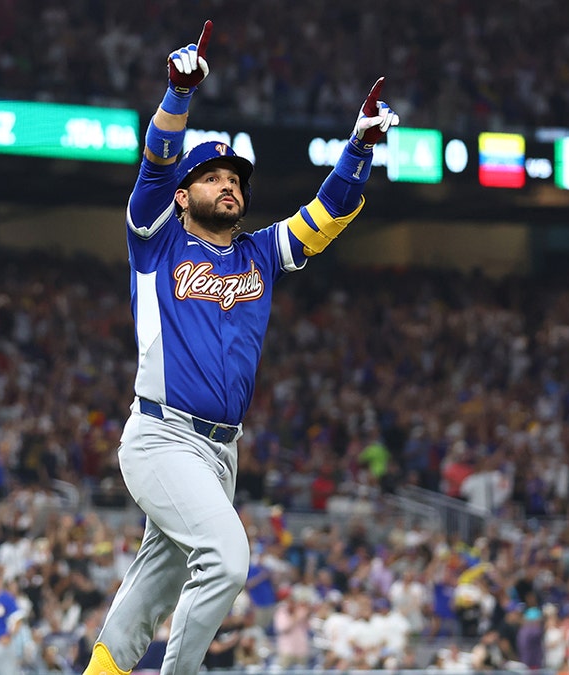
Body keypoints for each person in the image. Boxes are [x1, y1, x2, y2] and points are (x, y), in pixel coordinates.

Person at [83, 19, 398, 675]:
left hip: (220, 450)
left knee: (152, 586)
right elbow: (157, 160)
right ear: (184, 194)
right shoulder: (156, 238)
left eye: (236, 178)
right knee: (226, 557)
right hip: (162, 437)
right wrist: (178, 96)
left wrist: (358, 148)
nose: (228, 184)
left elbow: (325, 215)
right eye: (213, 175)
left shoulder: (260, 252)